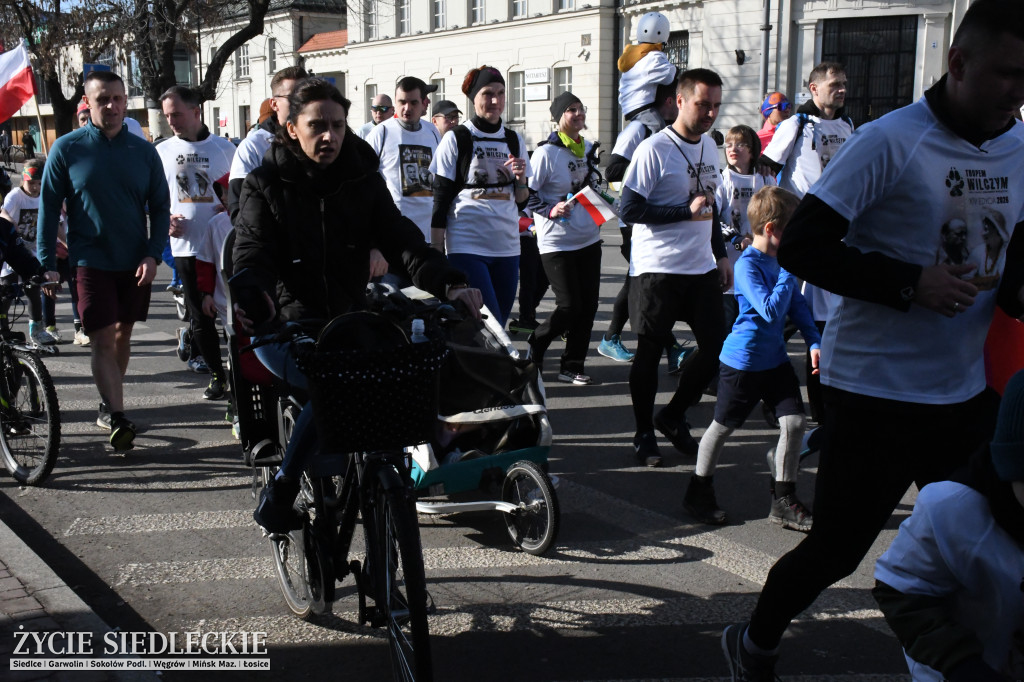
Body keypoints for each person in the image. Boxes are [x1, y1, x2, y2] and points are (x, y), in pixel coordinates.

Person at [722, 2, 1024, 679]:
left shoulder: (1018, 148)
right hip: (873, 393)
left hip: (965, 393)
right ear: (959, 64)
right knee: (836, 552)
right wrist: (908, 282)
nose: (1019, 89)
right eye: (1008, 73)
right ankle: (755, 642)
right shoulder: (889, 141)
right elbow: (802, 246)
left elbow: (1009, 262)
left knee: (995, 541)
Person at [231, 78, 482, 532]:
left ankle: (432, 448)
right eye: (317, 126)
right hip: (286, 325)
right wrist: (252, 291)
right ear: (291, 129)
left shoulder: (361, 176)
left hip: (349, 319)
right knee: (334, 383)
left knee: (414, 357)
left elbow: (402, 239)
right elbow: (251, 251)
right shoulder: (264, 183)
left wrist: (449, 283)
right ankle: (281, 492)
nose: (329, 135)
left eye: (338, 125)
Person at [37, 70, 169, 450]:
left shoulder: (143, 151)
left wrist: (152, 251)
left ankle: (109, 405)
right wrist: (47, 261)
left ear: (126, 101)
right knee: (100, 340)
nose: (111, 106)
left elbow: (160, 207)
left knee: (121, 336)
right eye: (102, 100)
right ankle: (118, 414)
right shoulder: (67, 148)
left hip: (133, 262)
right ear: (88, 103)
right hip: (89, 261)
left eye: (117, 99)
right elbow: (48, 208)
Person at [873, 369, 1024, 682]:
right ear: (1011, 465)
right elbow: (900, 587)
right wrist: (959, 662)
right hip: (964, 666)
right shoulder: (953, 509)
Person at [685, 186, 820, 530]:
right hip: (742, 363)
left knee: (793, 422)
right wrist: (791, 270)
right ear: (773, 230)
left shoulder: (777, 260)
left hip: (774, 361)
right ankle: (698, 490)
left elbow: (797, 306)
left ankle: (783, 499)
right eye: (793, 230)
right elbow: (772, 310)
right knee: (722, 428)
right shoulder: (748, 266)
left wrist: (814, 340)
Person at [618, 68, 732, 467]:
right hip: (657, 269)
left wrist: (720, 255)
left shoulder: (710, 148)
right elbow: (629, 208)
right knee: (648, 353)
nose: (710, 113)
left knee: (718, 347)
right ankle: (643, 433)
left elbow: (711, 207)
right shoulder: (655, 149)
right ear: (680, 101)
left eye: (716, 106)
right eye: (703, 104)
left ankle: (672, 415)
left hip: (700, 267)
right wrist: (684, 210)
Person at [430, 65, 530, 329]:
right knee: (488, 324)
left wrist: (521, 178)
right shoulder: (457, 138)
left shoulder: (514, 139)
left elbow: (522, 200)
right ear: (473, 98)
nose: (495, 101)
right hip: (468, 245)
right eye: (487, 94)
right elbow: (440, 200)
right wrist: (437, 251)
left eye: (500, 93)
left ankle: (486, 369)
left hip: (507, 247)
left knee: (499, 323)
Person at [601, 82, 690, 374]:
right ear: (668, 101)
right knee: (646, 287)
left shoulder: (666, 129)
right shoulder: (638, 130)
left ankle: (611, 336)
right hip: (635, 220)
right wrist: (644, 173)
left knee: (636, 284)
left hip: (658, 218)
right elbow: (612, 170)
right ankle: (671, 347)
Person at [156, 85, 237, 399]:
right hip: (187, 247)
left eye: (176, 114)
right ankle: (218, 376)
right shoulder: (161, 151)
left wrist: (232, 205)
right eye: (167, 116)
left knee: (232, 312)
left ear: (196, 111)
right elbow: (152, 199)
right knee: (200, 316)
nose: (171, 121)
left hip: (224, 246)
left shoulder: (224, 148)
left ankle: (241, 371)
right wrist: (164, 220)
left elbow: (243, 191)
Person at [525, 92, 603, 385]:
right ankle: (537, 342)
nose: (578, 114)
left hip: (589, 237)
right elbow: (526, 196)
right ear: (558, 118)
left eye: (581, 109)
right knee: (570, 305)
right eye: (571, 110)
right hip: (556, 241)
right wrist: (549, 208)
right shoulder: (547, 153)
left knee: (589, 306)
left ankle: (572, 364)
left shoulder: (585, 149)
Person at [228, 66, 308, 221]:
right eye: (292, 97)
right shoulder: (253, 146)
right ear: (274, 104)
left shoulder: (322, 139)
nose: (301, 103)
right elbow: (238, 208)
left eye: (306, 96)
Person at [367, 77, 440, 244]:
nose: (407, 108)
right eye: (402, 102)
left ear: (423, 103)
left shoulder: (433, 131)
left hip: (428, 233)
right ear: (395, 103)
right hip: (393, 233)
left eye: (413, 103)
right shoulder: (381, 133)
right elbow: (365, 184)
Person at [0, 159, 58, 346]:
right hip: (11, 248)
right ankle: (3, 327)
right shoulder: (15, 197)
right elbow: (4, 213)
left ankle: (36, 329)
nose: (35, 187)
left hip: (25, 250)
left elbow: (54, 226)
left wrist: (42, 271)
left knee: (32, 287)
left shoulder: (44, 197)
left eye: (38, 183)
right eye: (31, 183)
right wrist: (10, 221)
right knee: (6, 291)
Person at [617, 11, 678, 135]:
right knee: (659, 128)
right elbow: (667, 77)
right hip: (641, 106)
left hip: (629, 106)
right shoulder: (653, 57)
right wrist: (676, 69)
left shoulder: (633, 56)